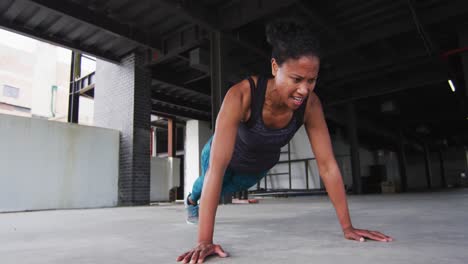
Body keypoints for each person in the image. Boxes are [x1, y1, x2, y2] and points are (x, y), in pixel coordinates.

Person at [176, 19, 393, 264]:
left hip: (256, 167)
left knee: (224, 192)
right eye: (296, 79)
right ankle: (192, 200)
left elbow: (328, 165)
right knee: (205, 187)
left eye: (311, 81)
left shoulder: (310, 105)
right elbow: (217, 167)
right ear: (274, 67)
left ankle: (200, 199)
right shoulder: (242, 95)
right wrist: (204, 241)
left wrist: (348, 227)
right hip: (222, 156)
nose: (304, 90)